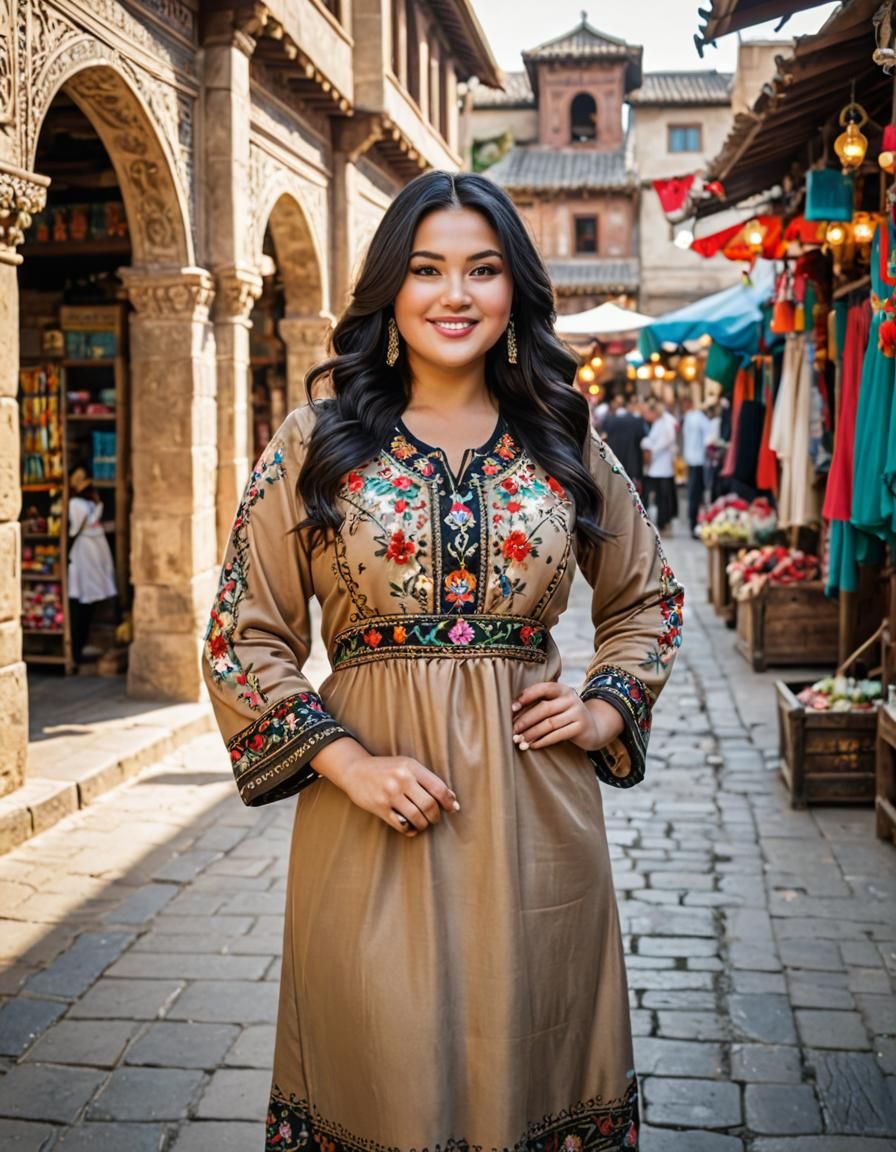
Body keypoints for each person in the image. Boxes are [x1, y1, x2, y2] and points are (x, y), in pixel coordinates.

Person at [202, 171, 683, 1152]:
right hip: (369, 824)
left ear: (515, 290)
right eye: (426, 269)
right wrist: (347, 764)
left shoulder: (564, 435)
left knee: (533, 1064)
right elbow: (240, 635)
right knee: (385, 1075)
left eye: (482, 269)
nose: (454, 295)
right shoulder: (317, 438)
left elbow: (650, 601)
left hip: (537, 822)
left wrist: (603, 707)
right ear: (390, 287)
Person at [67, 467, 117, 664]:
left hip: (93, 556)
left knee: (87, 603)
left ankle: (79, 648)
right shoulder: (77, 504)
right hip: (85, 556)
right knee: (82, 603)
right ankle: (76, 649)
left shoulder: (89, 503)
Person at [641, 398, 679, 532]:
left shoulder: (666, 422)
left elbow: (667, 440)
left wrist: (652, 449)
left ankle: (664, 521)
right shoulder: (658, 422)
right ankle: (661, 521)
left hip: (662, 466)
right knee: (658, 496)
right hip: (656, 466)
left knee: (663, 496)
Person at [604, 390, 647, 491]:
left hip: (614, 460)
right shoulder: (636, 421)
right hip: (632, 461)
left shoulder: (609, 420)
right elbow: (642, 437)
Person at [682, 399, 711, 534]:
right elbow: (708, 439)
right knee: (697, 494)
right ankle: (695, 523)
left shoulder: (689, 418)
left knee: (693, 493)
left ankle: (693, 521)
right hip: (699, 460)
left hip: (691, 459)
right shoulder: (701, 419)